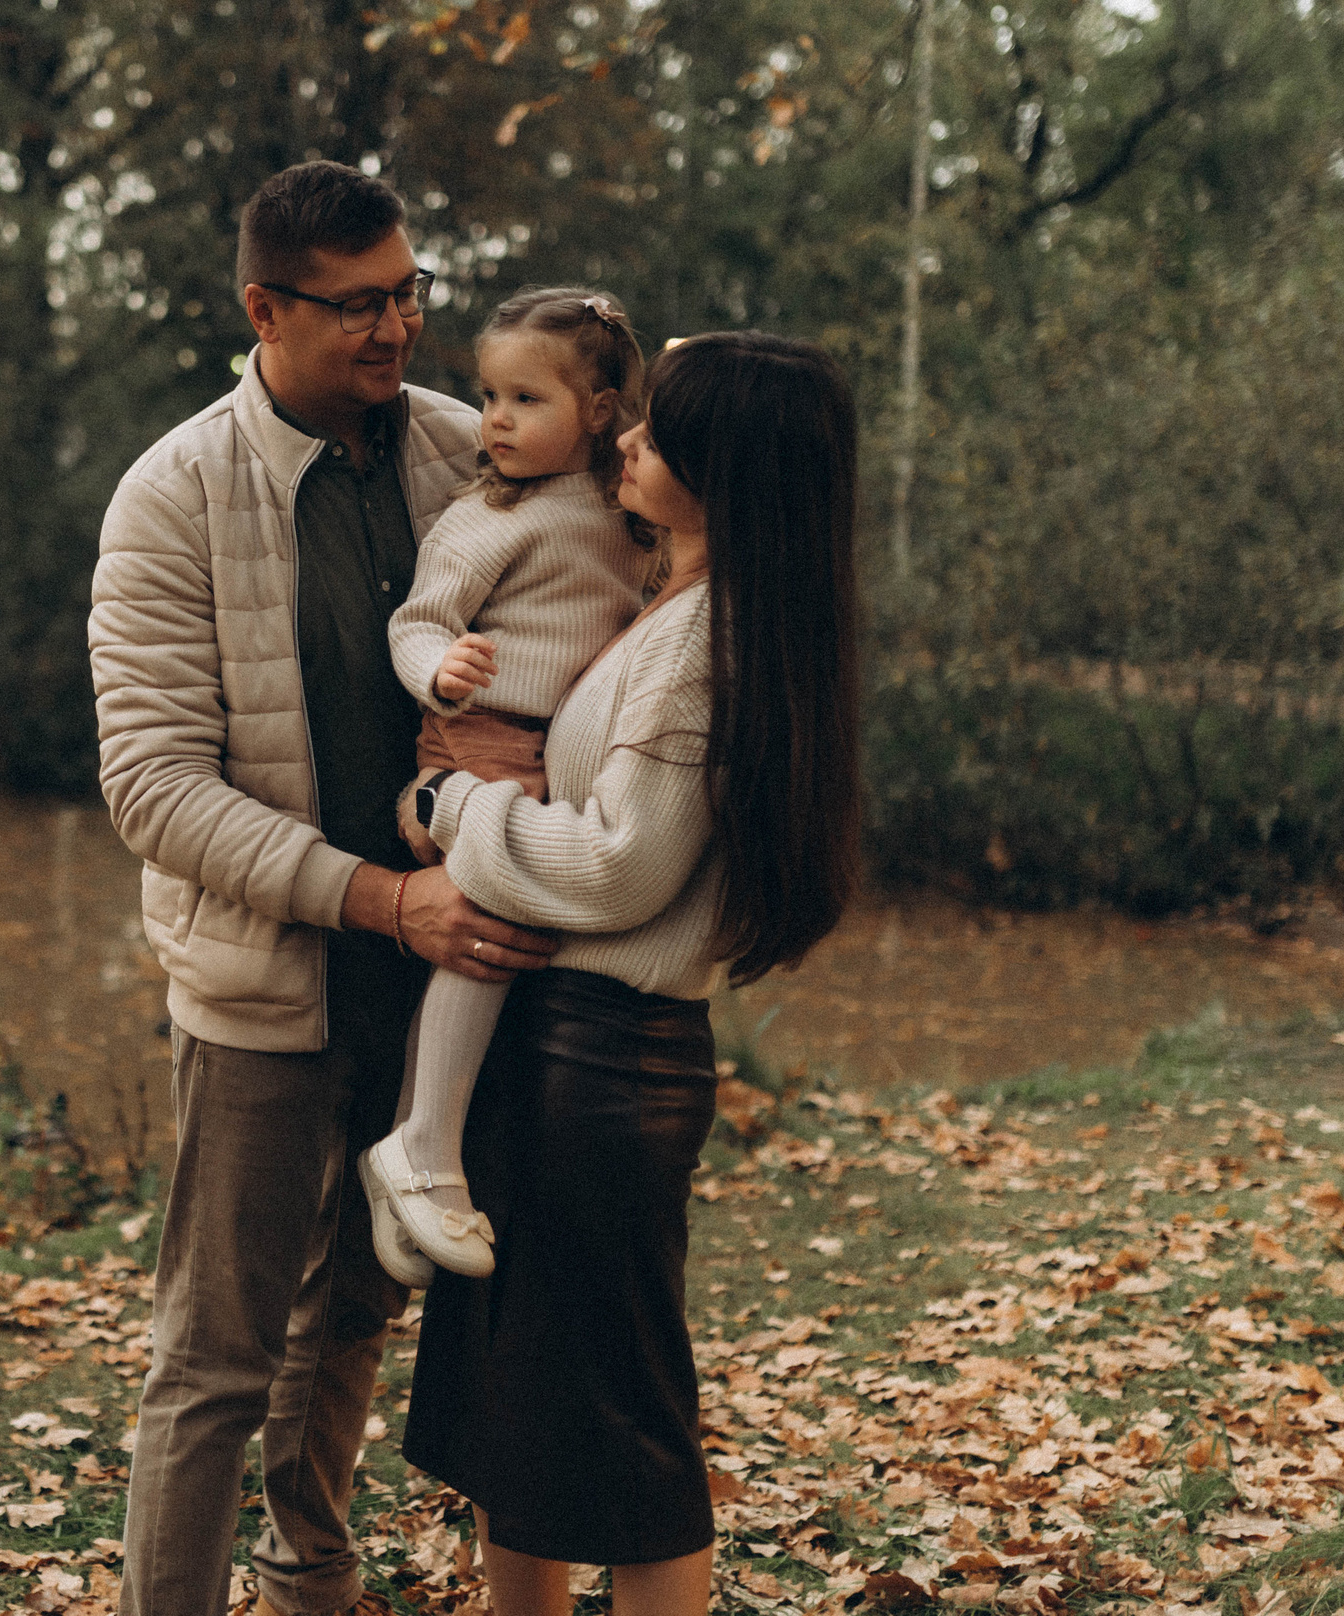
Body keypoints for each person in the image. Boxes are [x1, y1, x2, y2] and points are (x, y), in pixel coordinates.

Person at [89, 161, 557, 1616]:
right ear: (264, 311)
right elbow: (152, 788)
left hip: (439, 976)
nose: (396, 328)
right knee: (213, 1357)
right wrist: (378, 899)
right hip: (266, 984)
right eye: (358, 305)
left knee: (355, 1306)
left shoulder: (471, 451)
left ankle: (310, 1579)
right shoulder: (171, 494)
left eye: (409, 293)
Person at [400, 332, 863, 1614]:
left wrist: (453, 807)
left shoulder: (704, 643)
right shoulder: (671, 602)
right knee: (515, 1406)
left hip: (599, 1063)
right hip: (560, 1048)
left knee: (620, 1416)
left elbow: (616, 870)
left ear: (725, 470)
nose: (628, 441)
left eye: (659, 431)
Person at [359, 286, 653, 1282]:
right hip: (481, 737)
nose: (495, 420)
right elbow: (416, 621)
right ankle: (423, 1146)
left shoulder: (626, 508)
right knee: (491, 927)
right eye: (489, 396)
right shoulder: (487, 516)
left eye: (526, 399)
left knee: (529, 928)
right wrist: (438, 671)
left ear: (601, 412)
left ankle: (415, 1157)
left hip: (563, 750)